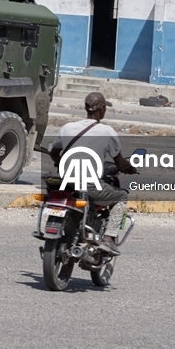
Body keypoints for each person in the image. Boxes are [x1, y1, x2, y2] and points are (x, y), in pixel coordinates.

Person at [48, 91, 135, 256]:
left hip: (64, 182)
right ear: (102, 110)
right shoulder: (107, 131)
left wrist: (59, 162)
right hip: (88, 184)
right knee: (121, 196)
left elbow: (54, 150)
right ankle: (108, 239)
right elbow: (120, 162)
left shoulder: (67, 127)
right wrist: (129, 168)